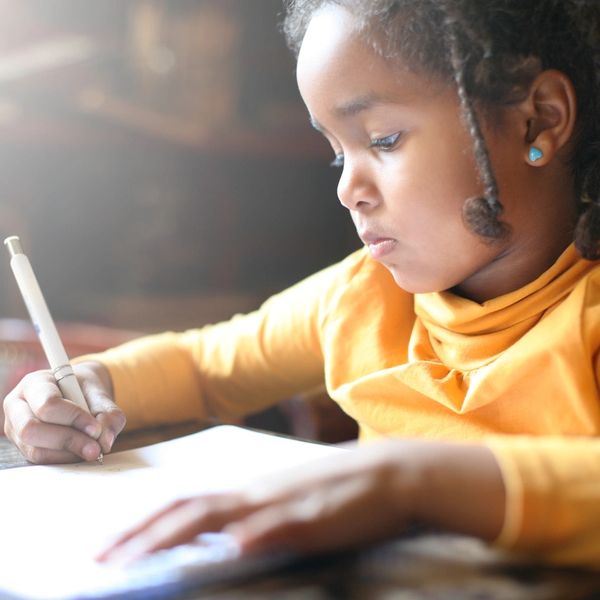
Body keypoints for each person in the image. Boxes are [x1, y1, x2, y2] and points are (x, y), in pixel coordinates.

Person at [4, 0, 600, 568]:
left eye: (384, 140)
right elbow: (204, 367)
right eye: (338, 155)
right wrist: (85, 385)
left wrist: (411, 482)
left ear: (538, 118)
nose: (347, 190)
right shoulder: (362, 298)